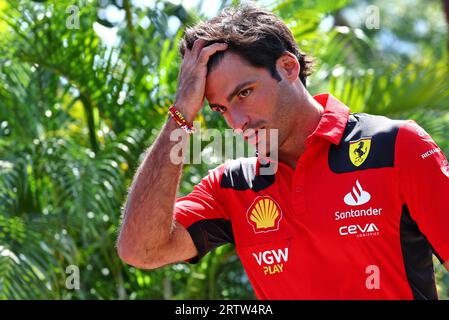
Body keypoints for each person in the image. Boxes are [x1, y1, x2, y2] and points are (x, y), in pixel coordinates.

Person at [117, 4, 449, 299]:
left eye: (244, 93)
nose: (237, 123)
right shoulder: (232, 186)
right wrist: (181, 114)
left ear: (288, 68)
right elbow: (141, 249)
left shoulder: (397, 147)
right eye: (219, 109)